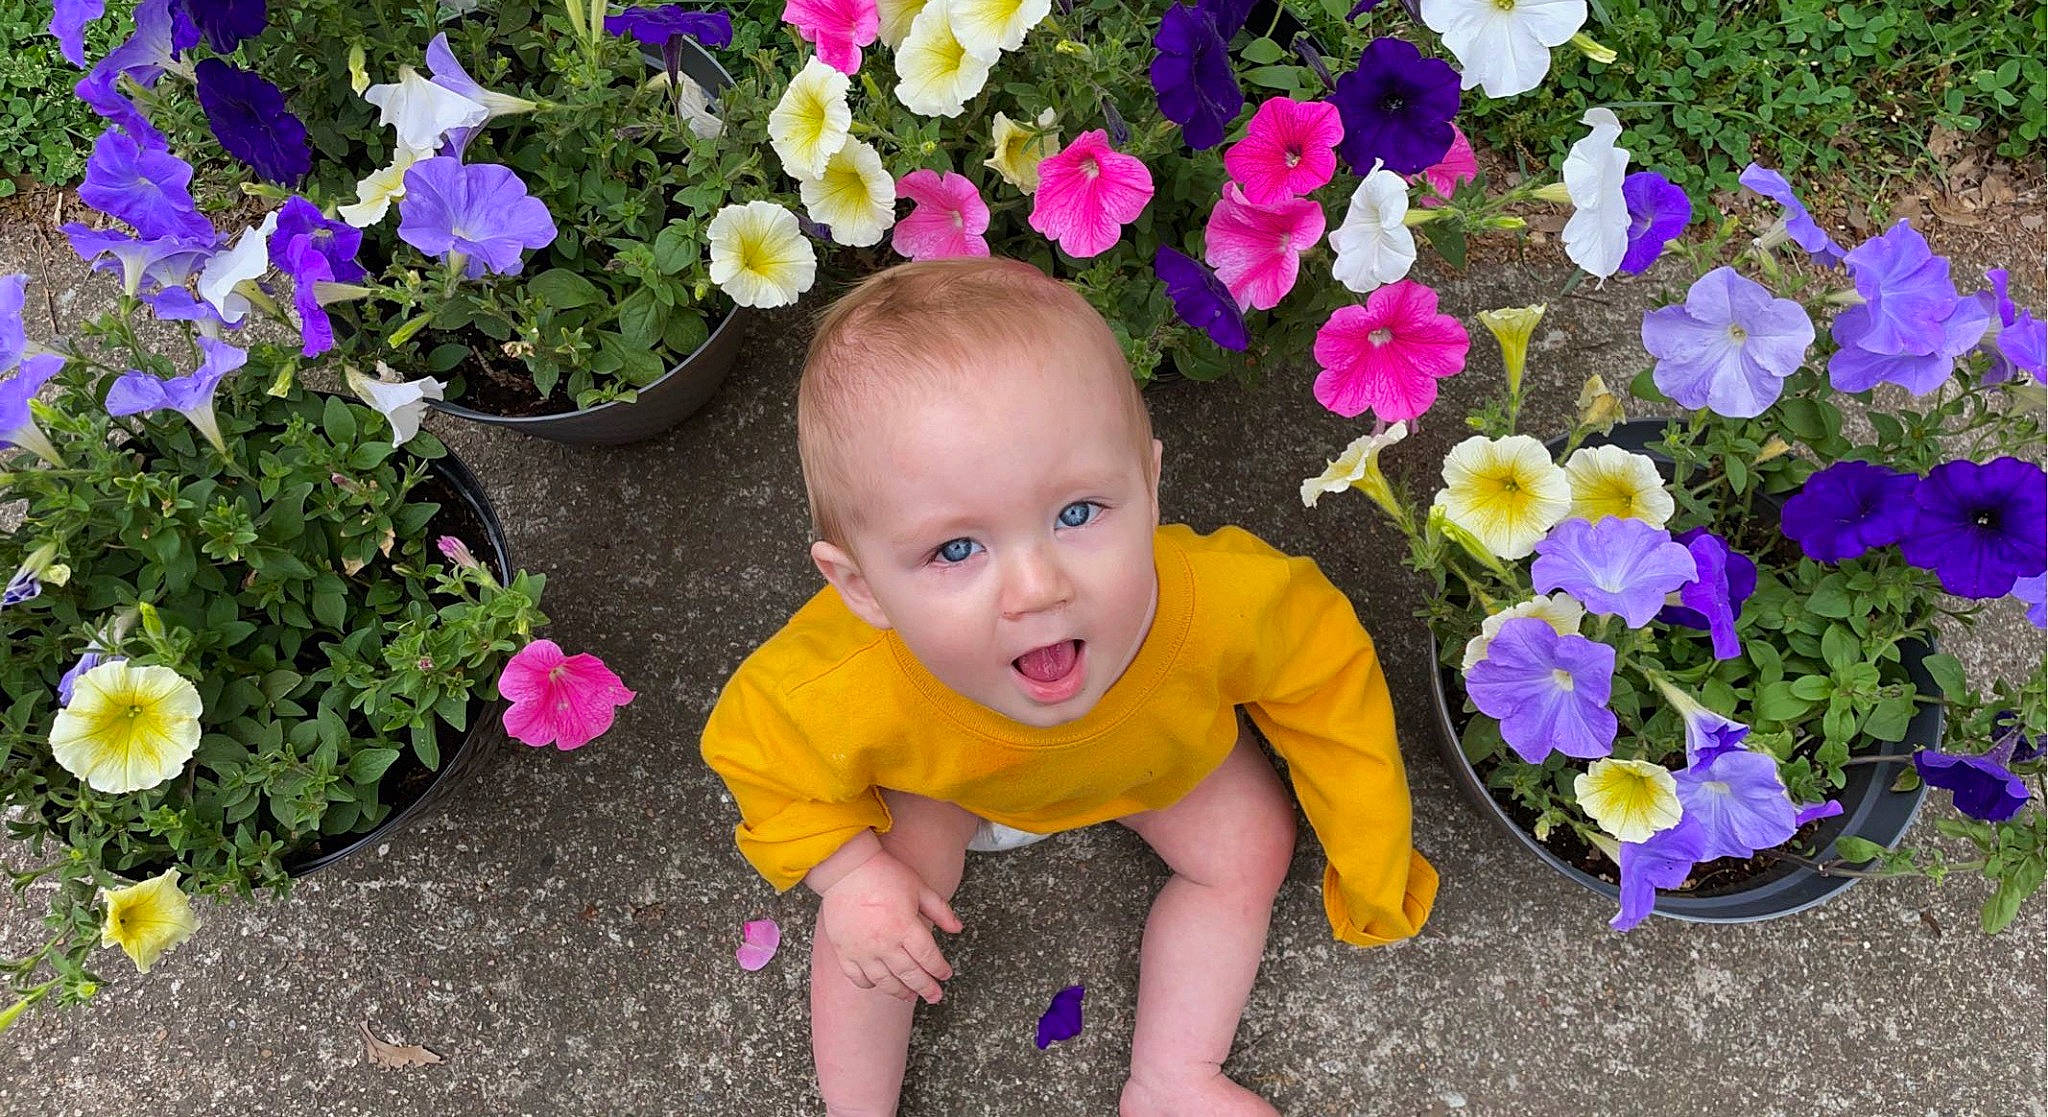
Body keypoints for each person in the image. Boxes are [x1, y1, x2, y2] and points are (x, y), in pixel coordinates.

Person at [699, 255, 1437, 1116]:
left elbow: (1324, 671)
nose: (1037, 587)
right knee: (875, 930)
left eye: (1078, 512)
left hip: (1145, 755)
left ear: (1150, 483)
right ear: (860, 586)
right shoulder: (846, 673)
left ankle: (1172, 1076)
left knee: (1249, 847)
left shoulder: (1218, 603)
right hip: (940, 777)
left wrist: (1372, 849)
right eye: (955, 549)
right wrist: (850, 873)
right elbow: (759, 746)